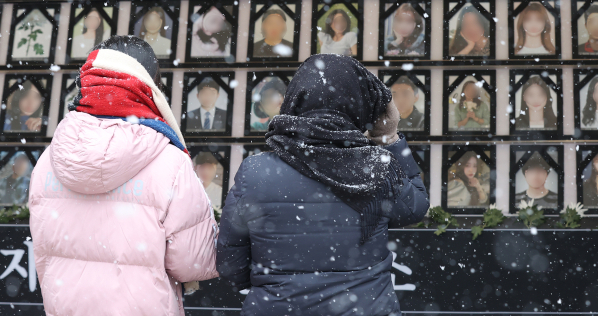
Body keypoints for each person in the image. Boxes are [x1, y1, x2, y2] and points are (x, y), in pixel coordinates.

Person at [217, 54, 429, 315]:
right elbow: (416, 208)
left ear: (295, 100)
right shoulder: (376, 167)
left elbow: (230, 264)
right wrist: (391, 137)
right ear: (359, 106)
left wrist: (276, 287)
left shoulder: (256, 171)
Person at [28, 35, 218, 316]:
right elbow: (192, 262)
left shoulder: (50, 157)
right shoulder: (170, 161)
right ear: (150, 86)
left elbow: (45, 245)